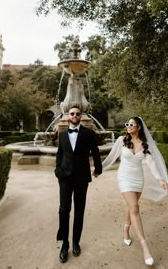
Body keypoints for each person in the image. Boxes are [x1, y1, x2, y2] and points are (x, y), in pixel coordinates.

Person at [102, 116, 168, 266]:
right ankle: (145, 246)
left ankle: (126, 230)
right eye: (127, 124)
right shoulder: (121, 140)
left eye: (131, 124)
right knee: (135, 208)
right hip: (124, 177)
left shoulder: (145, 145)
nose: (128, 126)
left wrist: (160, 179)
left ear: (139, 127)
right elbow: (111, 156)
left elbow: (151, 164)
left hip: (138, 179)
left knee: (131, 208)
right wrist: (98, 169)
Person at [55, 106, 102, 263]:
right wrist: (58, 171)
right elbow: (60, 154)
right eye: (72, 113)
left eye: (77, 114)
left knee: (79, 210)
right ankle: (64, 243)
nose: (75, 115)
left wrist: (98, 168)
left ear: (80, 116)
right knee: (63, 210)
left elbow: (95, 151)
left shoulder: (88, 134)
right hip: (65, 178)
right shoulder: (61, 134)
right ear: (68, 116)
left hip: (82, 178)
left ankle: (75, 242)